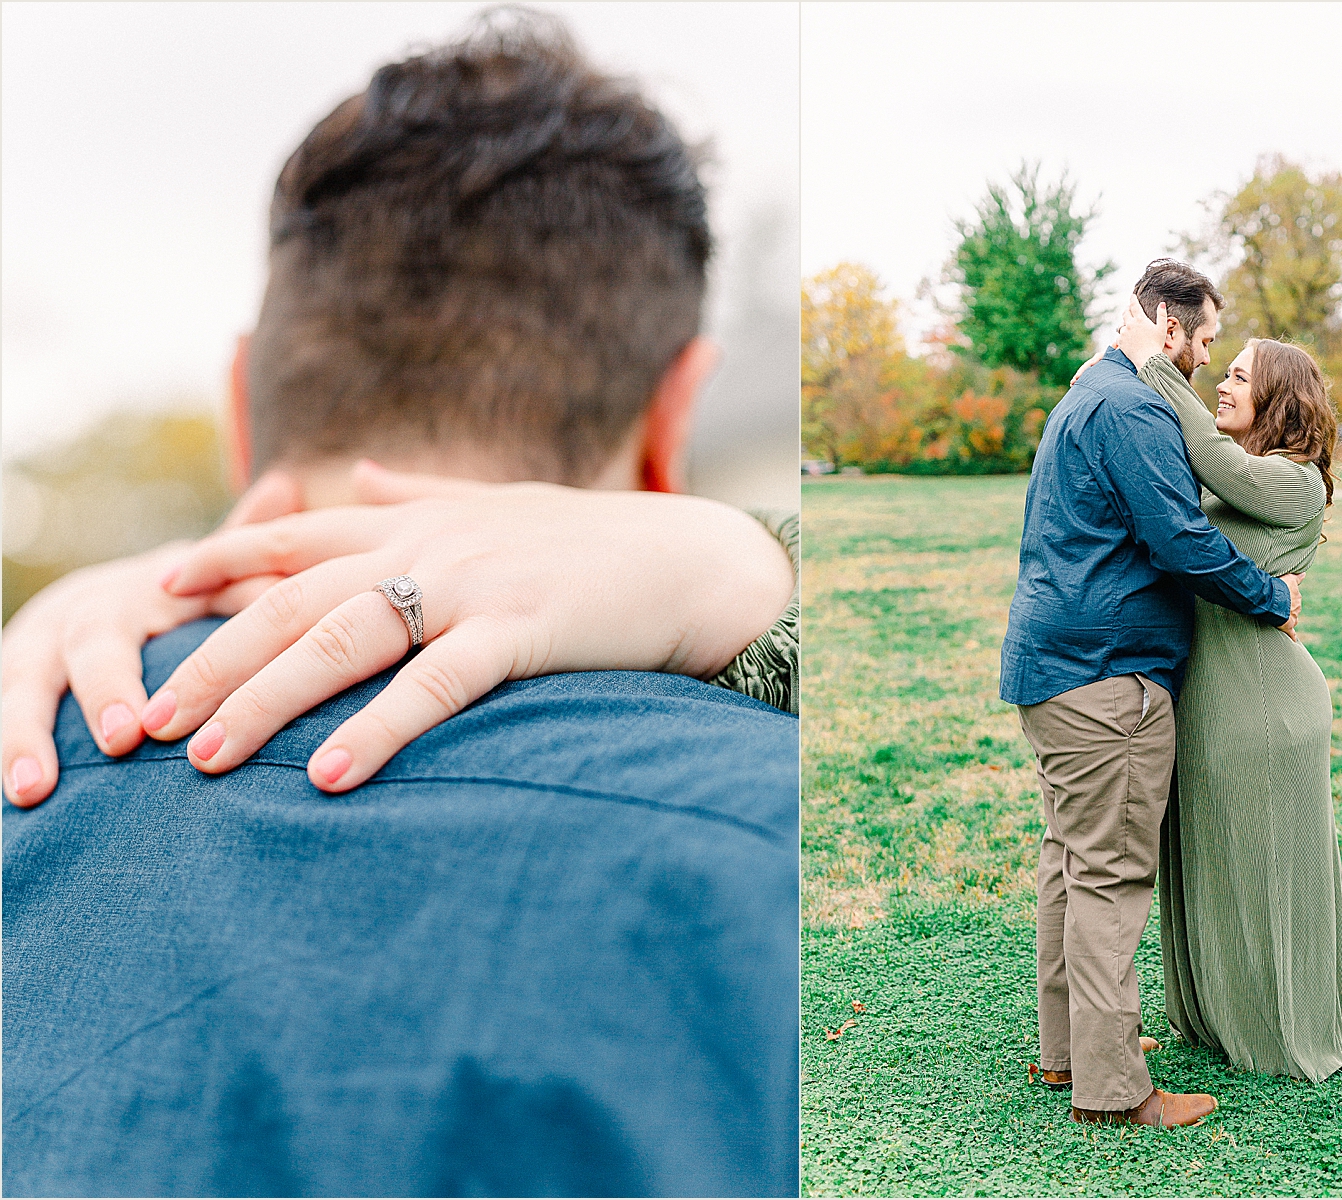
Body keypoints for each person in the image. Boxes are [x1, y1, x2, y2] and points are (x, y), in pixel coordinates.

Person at [3, 15, 798, 1196]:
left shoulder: (36, 738)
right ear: (671, 418)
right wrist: (766, 569)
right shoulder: (778, 844)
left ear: (242, 403)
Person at [999, 259, 1303, 1128]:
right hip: (1108, 676)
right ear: (1169, 328)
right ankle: (1114, 1091)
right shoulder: (1132, 407)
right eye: (1204, 339)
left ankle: (1070, 1052)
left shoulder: (1090, 391)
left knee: (1070, 862)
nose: (1206, 357)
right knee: (1109, 877)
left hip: (1054, 670)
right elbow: (1180, 539)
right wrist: (1271, 596)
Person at [1113, 292, 1342, 1082]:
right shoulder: (1247, 482)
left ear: (1278, 399)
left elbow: (1209, 456)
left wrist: (1153, 363)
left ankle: (1283, 1028)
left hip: (1263, 706)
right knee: (1216, 863)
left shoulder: (1293, 482)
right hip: (1214, 698)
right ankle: (1219, 1017)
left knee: (1266, 869)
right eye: (1219, 371)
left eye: (1238, 376)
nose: (1221, 384)